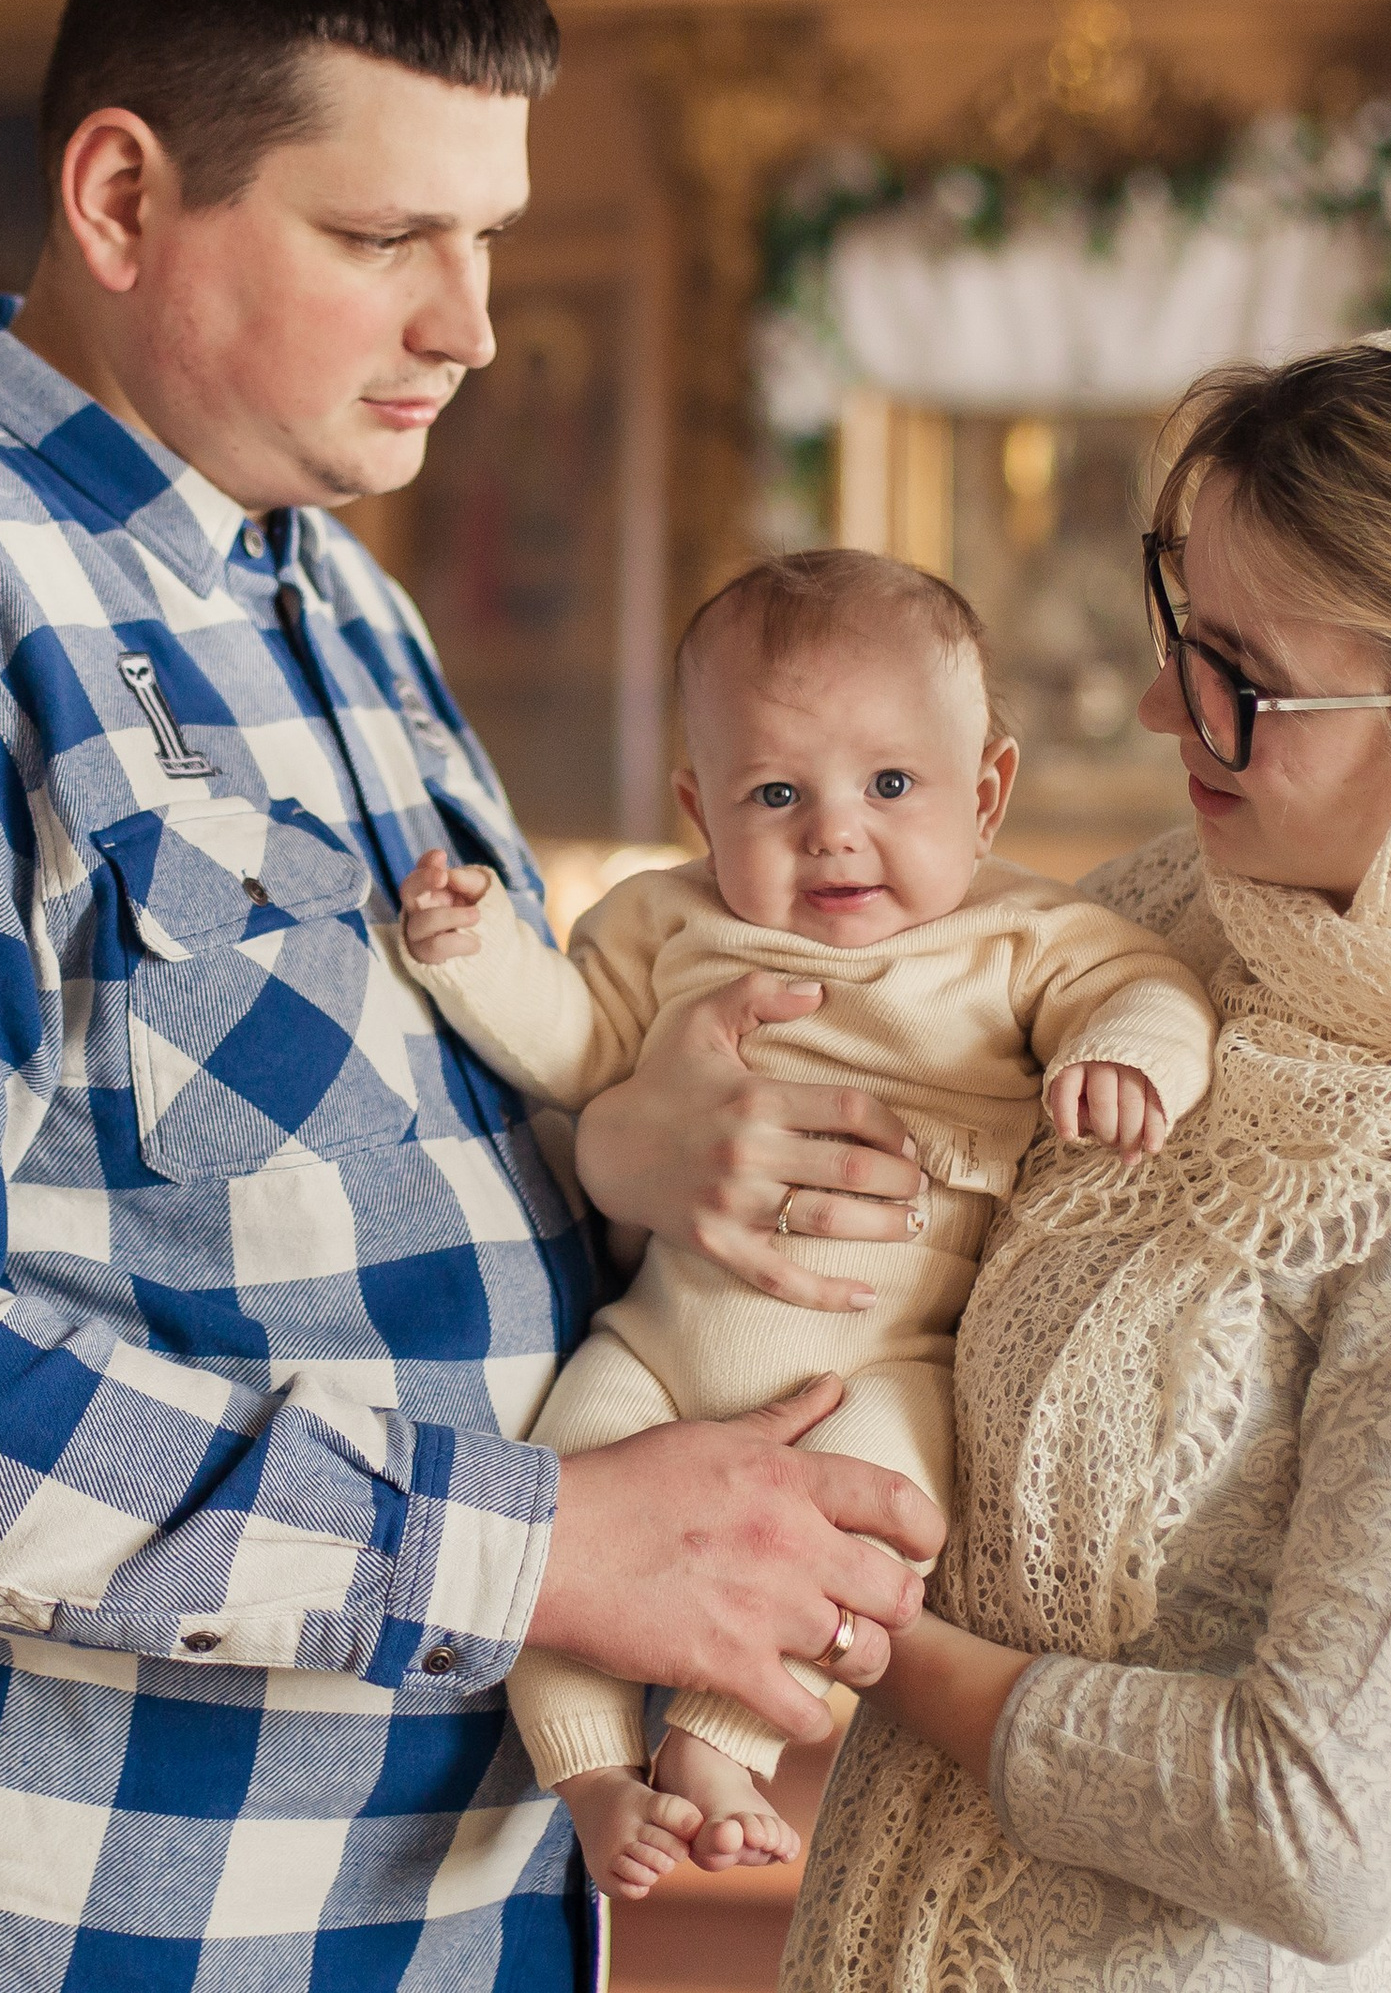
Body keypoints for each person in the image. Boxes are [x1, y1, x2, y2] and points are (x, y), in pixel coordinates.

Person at [0, 0, 943, 1993]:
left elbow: (322, 1225)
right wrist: (536, 1543)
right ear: (121, 194)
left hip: (396, 1923)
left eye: (482, 237)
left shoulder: (334, 601)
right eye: (386, 234)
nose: (471, 323)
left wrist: (631, 1155)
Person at [776, 330, 1391, 1992]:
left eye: (1239, 679)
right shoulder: (1140, 932)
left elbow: (1316, 1828)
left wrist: (860, 1636)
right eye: (1182, 631)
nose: (1152, 706)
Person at [395, 546, 1216, 1897]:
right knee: (550, 1506)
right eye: (775, 794)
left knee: (883, 1511)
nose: (834, 830)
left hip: (872, 1355)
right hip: (657, 1341)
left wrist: (1125, 1058)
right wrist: (473, 952)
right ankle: (593, 1773)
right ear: (698, 806)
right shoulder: (666, 919)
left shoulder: (1023, 934)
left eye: (891, 785)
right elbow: (572, 1041)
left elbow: (1149, 987)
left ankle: (718, 1757)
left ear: (987, 790)